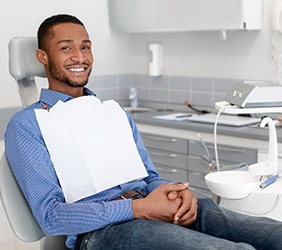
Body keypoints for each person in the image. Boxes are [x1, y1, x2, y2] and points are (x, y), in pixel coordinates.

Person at [4, 14, 282, 250]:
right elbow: (50, 216)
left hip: (152, 209)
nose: (80, 56)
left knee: (272, 236)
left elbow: (149, 178)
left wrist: (172, 193)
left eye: (86, 47)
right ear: (42, 56)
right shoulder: (28, 125)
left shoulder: (111, 112)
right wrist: (139, 209)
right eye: (66, 48)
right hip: (103, 233)